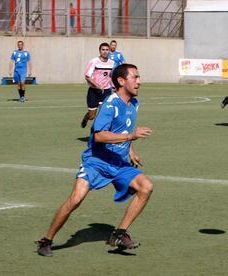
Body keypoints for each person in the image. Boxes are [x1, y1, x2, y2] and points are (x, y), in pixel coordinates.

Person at [35, 63, 153, 257]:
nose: (139, 82)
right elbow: (99, 136)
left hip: (118, 163)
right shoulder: (110, 104)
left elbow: (125, 126)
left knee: (146, 187)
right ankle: (46, 240)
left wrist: (131, 150)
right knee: (75, 200)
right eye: (135, 77)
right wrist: (130, 137)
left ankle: (119, 233)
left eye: (139, 77)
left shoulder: (134, 103)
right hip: (96, 162)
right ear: (121, 81)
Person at [81, 42, 114, 128]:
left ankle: (100, 132)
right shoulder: (94, 61)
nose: (105, 51)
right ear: (100, 51)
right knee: (92, 116)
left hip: (106, 91)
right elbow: (87, 76)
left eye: (107, 50)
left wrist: (111, 85)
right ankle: (87, 117)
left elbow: (110, 76)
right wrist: (98, 86)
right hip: (94, 92)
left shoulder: (111, 63)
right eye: (103, 50)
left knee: (105, 113)